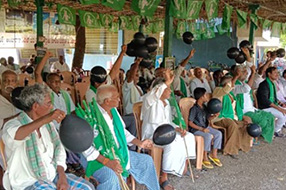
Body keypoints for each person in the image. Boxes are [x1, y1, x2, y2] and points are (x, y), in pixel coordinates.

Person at [2, 84, 95, 190]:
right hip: (27, 182)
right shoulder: (13, 125)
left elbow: (58, 150)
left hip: (52, 176)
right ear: (35, 106)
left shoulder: (48, 125)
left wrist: (62, 175)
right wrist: (46, 119)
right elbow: (17, 135)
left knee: (87, 187)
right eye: (49, 103)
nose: (52, 107)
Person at [80, 85, 160, 190]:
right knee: (112, 177)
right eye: (116, 97)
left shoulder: (113, 110)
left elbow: (122, 132)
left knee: (146, 161)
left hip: (118, 153)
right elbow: (85, 147)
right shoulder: (90, 116)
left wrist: (139, 143)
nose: (119, 99)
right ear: (107, 101)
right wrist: (107, 162)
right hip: (97, 159)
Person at [141, 70, 196, 190]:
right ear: (159, 90)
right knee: (173, 142)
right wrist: (166, 81)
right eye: (167, 89)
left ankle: (183, 166)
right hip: (153, 134)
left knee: (188, 136)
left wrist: (177, 128)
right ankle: (163, 177)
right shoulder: (149, 100)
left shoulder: (166, 102)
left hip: (166, 131)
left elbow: (168, 122)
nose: (170, 91)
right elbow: (154, 93)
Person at [233, 65, 275, 143]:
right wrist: (253, 73)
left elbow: (251, 88)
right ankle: (260, 135)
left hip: (252, 109)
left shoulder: (244, 82)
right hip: (244, 111)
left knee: (270, 117)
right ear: (237, 73)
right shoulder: (234, 84)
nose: (246, 73)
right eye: (243, 72)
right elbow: (246, 88)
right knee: (263, 121)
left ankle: (264, 135)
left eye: (246, 72)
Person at [212, 74, 252, 156]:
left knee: (246, 123)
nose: (234, 85)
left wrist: (242, 117)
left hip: (231, 117)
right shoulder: (218, 90)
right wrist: (236, 76)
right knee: (232, 125)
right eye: (232, 83)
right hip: (219, 118)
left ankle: (241, 145)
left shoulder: (231, 94)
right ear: (227, 84)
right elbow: (225, 90)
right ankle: (230, 150)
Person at [35, 51, 75, 130]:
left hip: (66, 126)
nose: (57, 83)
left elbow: (72, 110)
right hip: (53, 126)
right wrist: (46, 56)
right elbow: (37, 73)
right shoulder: (46, 92)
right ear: (48, 83)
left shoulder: (65, 94)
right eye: (54, 81)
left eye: (58, 81)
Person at [189, 87, 222, 169]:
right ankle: (204, 156)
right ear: (201, 97)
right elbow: (190, 123)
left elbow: (207, 118)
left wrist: (213, 116)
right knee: (207, 136)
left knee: (218, 134)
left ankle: (213, 154)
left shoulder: (204, 107)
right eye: (205, 95)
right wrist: (201, 129)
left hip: (205, 127)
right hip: (196, 130)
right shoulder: (194, 109)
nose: (207, 96)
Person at [257, 67, 286, 137]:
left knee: (284, 111)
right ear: (269, 74)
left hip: (270, 106)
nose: (277, 74)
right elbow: (265, 101)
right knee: (282, 115)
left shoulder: (272, 84)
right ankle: (275, 131)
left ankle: (275, 129)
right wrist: (279, 109)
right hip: (265, 107)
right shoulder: (264, 85)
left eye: (277, 73)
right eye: (275, 73)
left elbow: (274, 97)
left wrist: (280, 103)